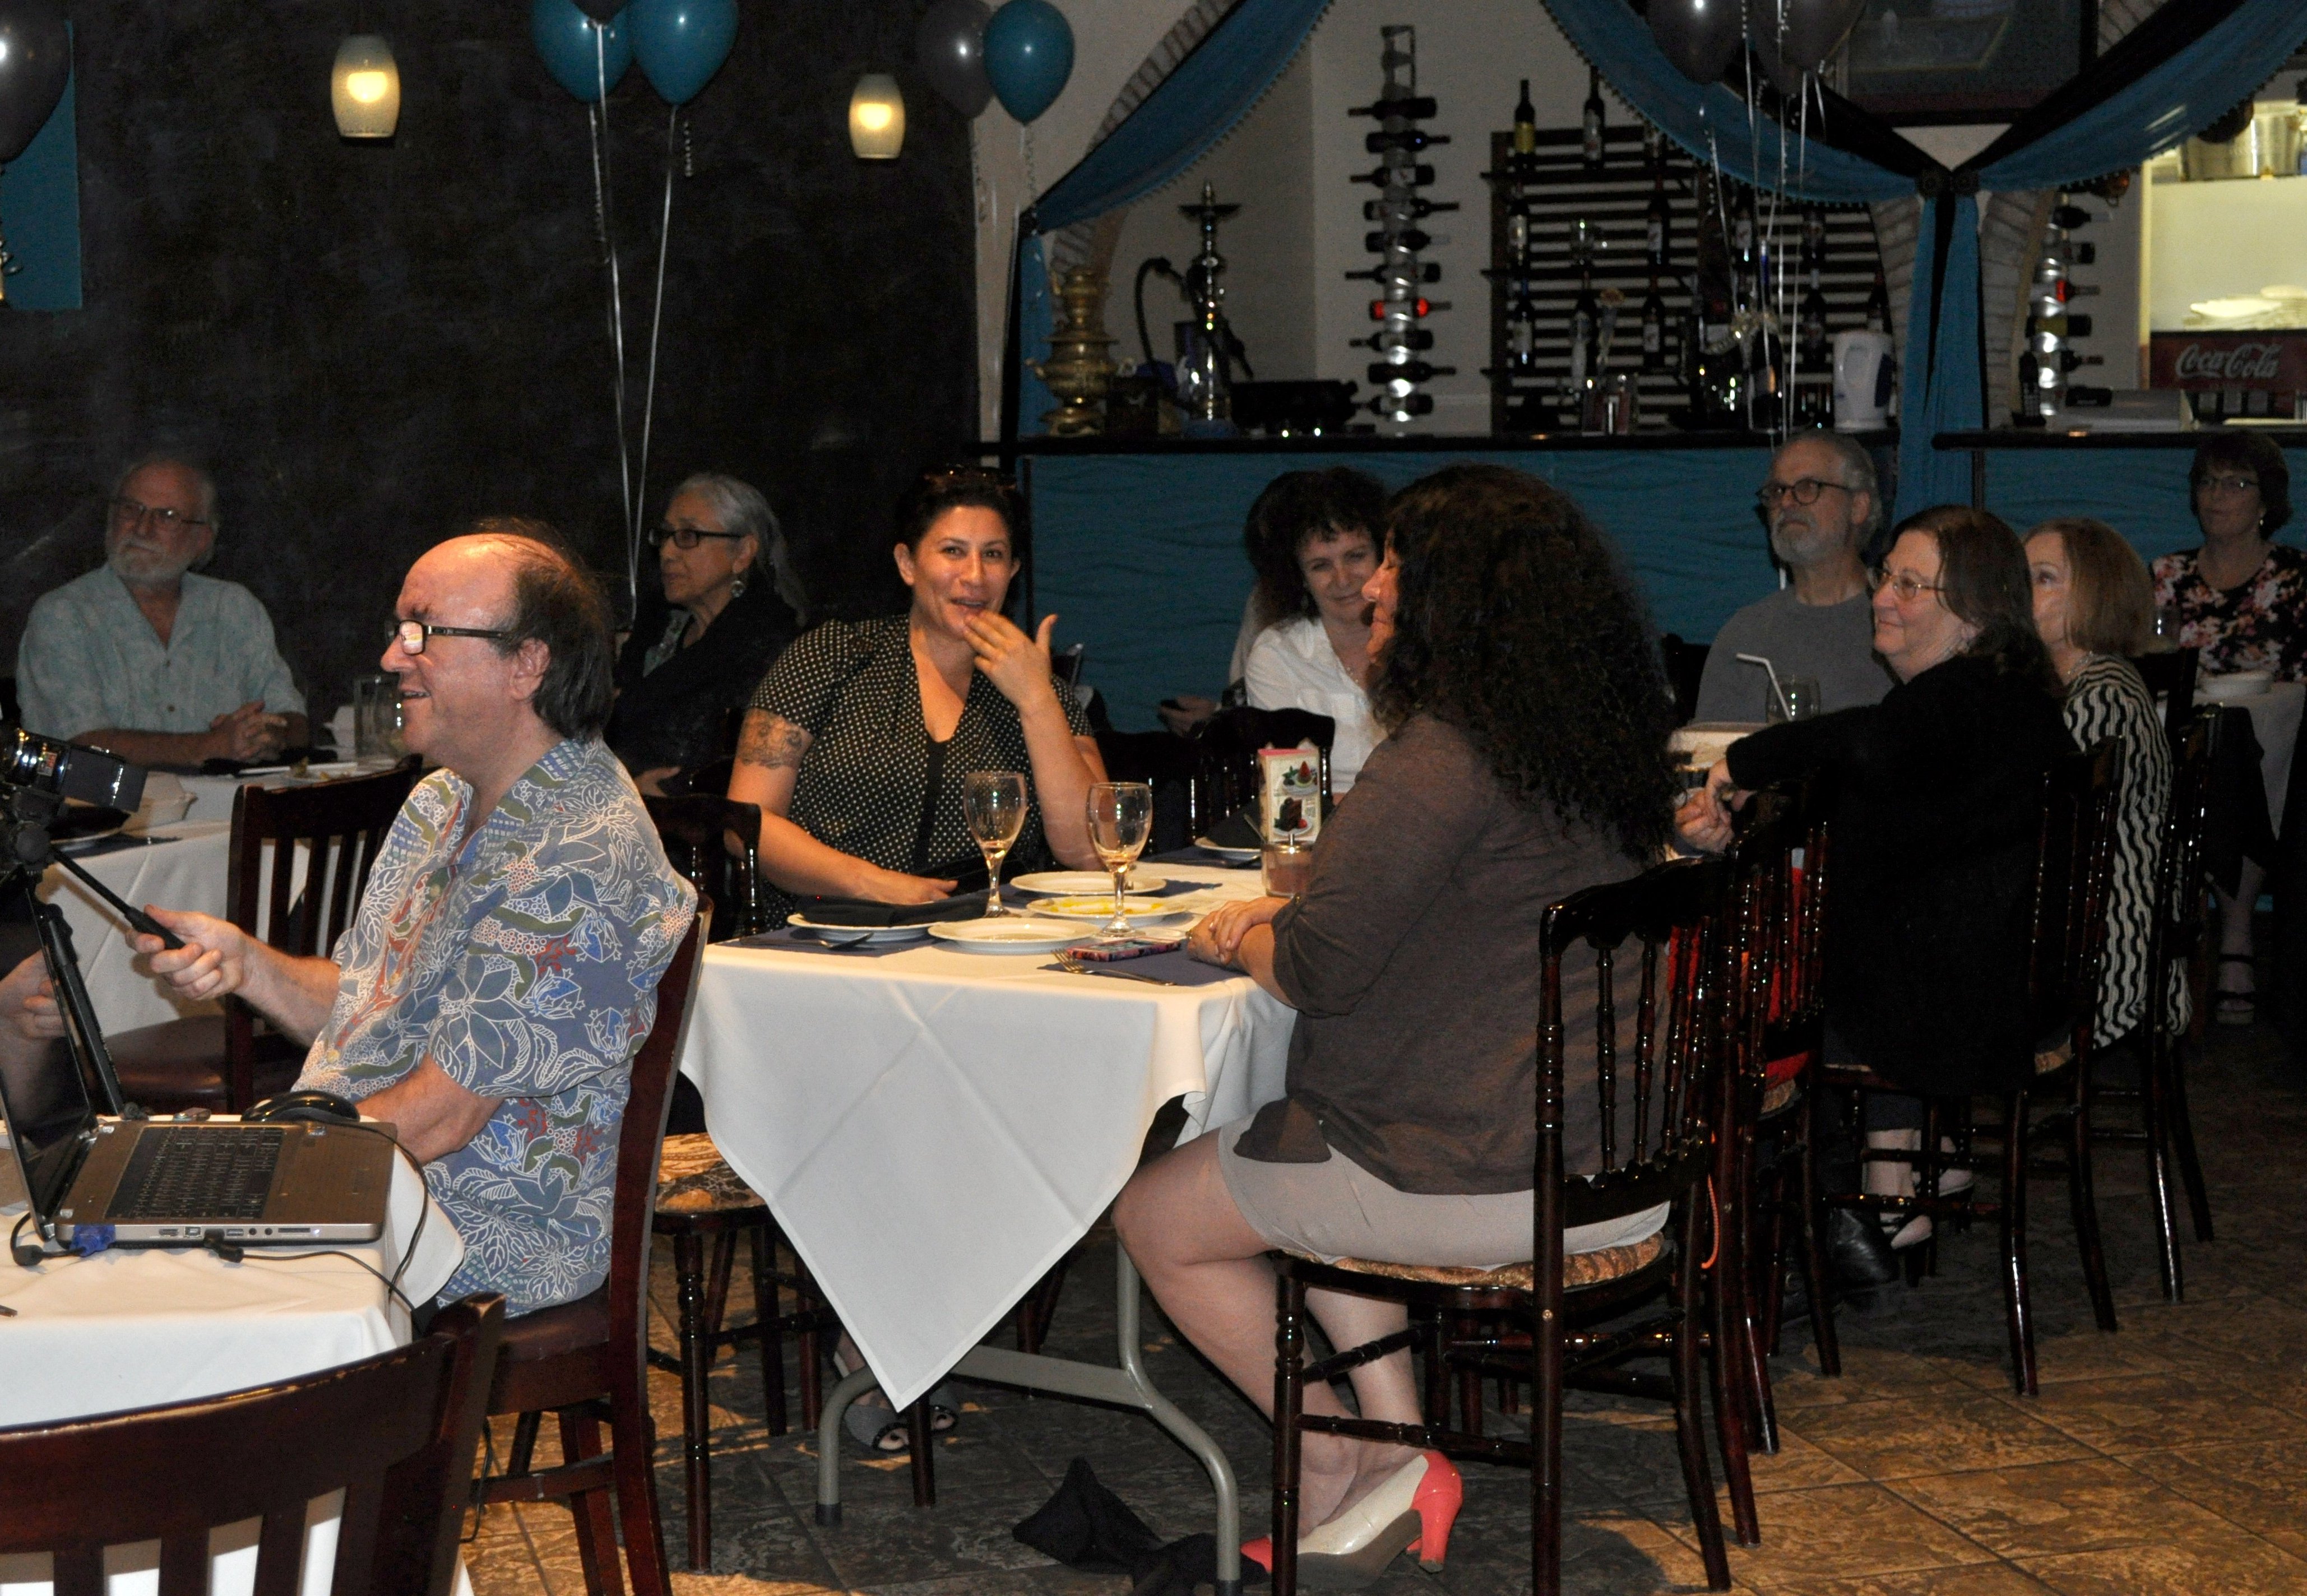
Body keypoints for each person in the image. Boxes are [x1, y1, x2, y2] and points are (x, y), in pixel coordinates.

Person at [1114, 464, 1680, 1586]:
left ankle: (1333, 1455)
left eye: (1395, 566)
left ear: (1452, 596)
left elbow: (1317, 967)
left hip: (1489, 1171)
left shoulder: (1439, 756)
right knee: (1294, 1133)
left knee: (1159, 1212)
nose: (1372, 585)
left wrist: (1239, 939)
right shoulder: (1584, 749)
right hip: (1619, 1158)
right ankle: (1397, 1452)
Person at [130, 523, 697, 1316]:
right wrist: (247, 965)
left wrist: (254, 1168)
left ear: (527, 664)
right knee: (124, 1258)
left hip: (477, 1226)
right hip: (376, 1183)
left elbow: (442, 1118)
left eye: (423, 632)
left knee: (164, 1286)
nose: (394, 656)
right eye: (400, 630)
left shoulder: (578, 851)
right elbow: (370, 1004)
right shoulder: (442, 800)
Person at [1680, 506, 2072, 1255]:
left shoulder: (1957, 697)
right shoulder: (2004, 694)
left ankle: (1848, 1199)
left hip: (1965, 1002)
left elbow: (1865, 742)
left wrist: (1742, 764)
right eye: (1886, 576)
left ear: (1974, 614)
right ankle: (1919, 1160)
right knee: (1858, 928)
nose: (1882, 598)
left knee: (1761, 979)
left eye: (1910, 586)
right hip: (2016, 979)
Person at [728, 465, 1105, 925]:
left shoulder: (1038, 686)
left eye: (993, 555)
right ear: (908, 564)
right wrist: (871, 883)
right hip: (830, 932)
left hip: (986, 937)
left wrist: (1037, 701)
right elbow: (744, 823)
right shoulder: (832, 656)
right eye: (953, 551)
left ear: (1013, 571)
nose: (975, 576)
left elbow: (1091, 853)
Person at [2151, 433, 2306, 1022]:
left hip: (2284, 739)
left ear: (2267, 500)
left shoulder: (2294, 576)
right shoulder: (2167, 576)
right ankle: (2221, 942)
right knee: (2216, 749)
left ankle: (2235, 935)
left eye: (2237, 483)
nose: (2218, 496)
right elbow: (2151, 663)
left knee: (2238, 754)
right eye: (2208, 482)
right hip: (2192, 737)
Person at [15, 454, 308, 765]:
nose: (142, 528)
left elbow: (294, 722)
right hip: (111, 799)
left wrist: (268, 735)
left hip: (231, 795)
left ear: (202, 539)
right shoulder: (63, 615)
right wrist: (211, 746)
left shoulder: (234, 608)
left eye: (167, 516)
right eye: (131, 509)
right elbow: (78, 746)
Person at [2026, 517, 2173, 1048]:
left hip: (2104, 946)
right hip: (2086, 925)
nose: (2020, 592)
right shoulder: (2084, 682)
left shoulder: (2099, 697)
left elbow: (2047, 832)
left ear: (2095, 594)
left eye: (2043, 578)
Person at [606, 472, 804, 794]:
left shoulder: (770, 648)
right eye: (665, 536)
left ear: (743, 553)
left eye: (688, 536)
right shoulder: (657, 629)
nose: (667, 553)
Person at [1693, 431, 1894, 723]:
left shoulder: (1897, 621)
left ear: (1858, 507)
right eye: (1777, 491)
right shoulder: (1743, 637)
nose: (1787, 503)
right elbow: (1707, 749)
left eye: (1808, 487)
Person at [1239, 468, 1391, 792]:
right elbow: (1289, 791)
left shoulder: (1424, 643)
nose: (1343, 579)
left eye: (1355, 556)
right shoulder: (1277, 654)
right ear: (1300, 578)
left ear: (1384, 558)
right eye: (1321, 566)